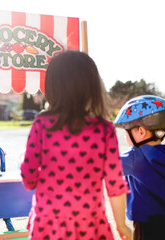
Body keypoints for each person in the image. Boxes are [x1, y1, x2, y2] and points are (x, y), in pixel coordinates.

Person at [20, 50, 132, 240]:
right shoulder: (104, 130)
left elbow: (28, 177)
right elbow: (114, 184)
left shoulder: (41, 125)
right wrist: (121, 224)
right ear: (92, 87)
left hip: (48, 223)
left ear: (52, 87)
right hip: (90, 224)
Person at [114, 95, 165, 240]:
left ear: (141, 131)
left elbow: (108, 166)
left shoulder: (135, 156)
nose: (125, 136)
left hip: (146, 226)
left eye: (127, 131)